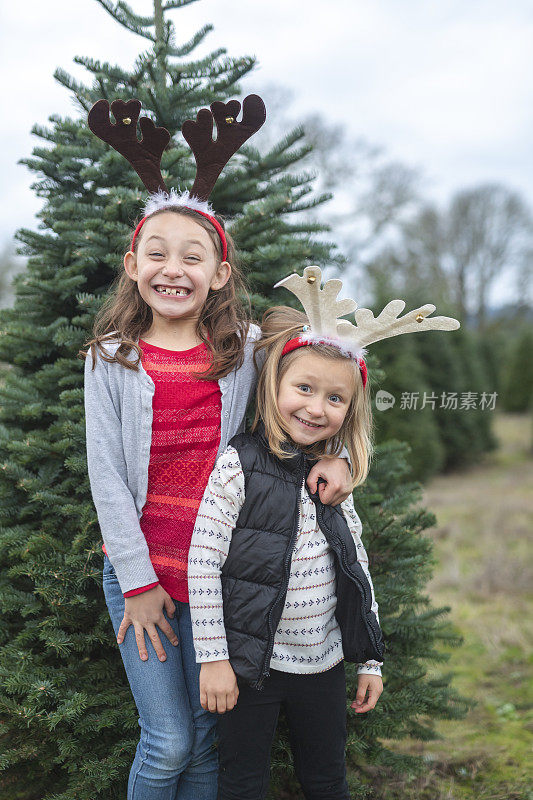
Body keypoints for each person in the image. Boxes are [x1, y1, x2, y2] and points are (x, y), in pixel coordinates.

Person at [83, 98, 355, 800]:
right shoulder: (111, 356)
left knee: (207, 739)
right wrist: (138, 585)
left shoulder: (244, 352)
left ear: (219, 274)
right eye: (157, 253)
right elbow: (106, 476)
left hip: (216, 577)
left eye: (193, 256)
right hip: (142, 575)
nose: (174, 269)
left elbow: (323, 386)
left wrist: (343, 459)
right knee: (169, 738)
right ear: (133, 263)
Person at [188, 267, 460, 800]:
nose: (316, 407)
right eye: (304, 388)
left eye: (335, 399)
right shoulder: (237, 465)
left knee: (326, 780)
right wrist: (215, 661)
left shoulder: (334, 474)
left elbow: (354, 564)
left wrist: (371, 659)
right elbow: (204, 563)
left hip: (324, 665)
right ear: (275, 384)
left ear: (350, 409)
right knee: (241, 782)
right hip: (251, 667)